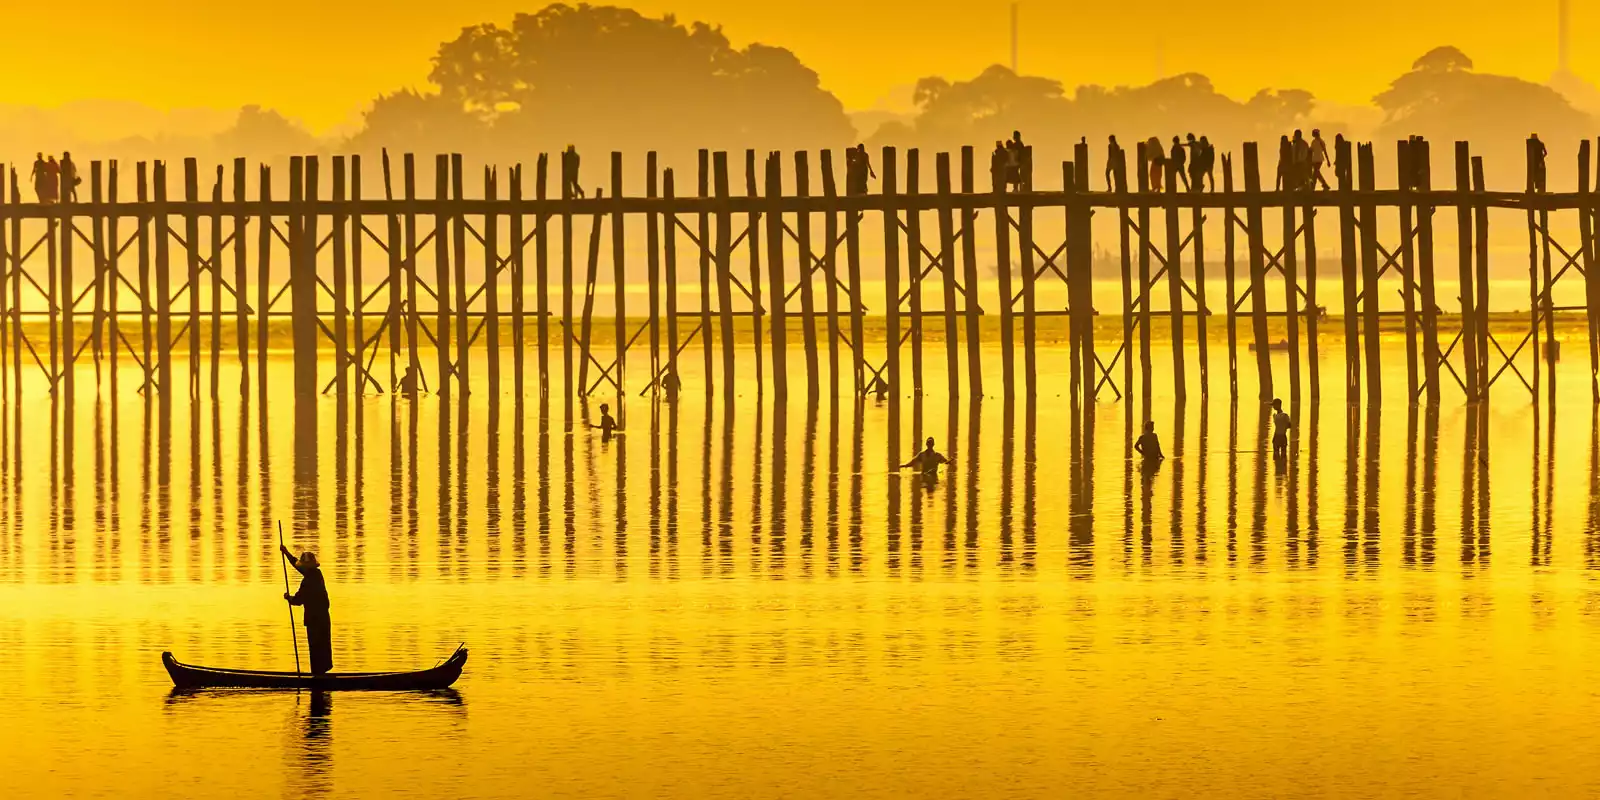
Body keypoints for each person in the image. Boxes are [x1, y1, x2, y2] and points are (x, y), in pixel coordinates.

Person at [280, 545, 332, 675]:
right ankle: (320, 676)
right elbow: (298, 566)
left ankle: (318, 679)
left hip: (315, 621)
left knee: (316, 649)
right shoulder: (316, 574)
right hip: (323, 619)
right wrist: (286, 553)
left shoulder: (308, 582)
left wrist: (288, 598)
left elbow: (298, 600)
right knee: (322, 649)